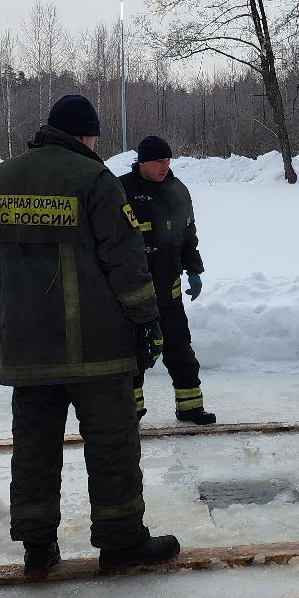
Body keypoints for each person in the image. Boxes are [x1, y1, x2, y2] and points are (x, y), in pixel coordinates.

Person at [0, 95, 181, 578]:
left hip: (27, 348)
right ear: (87, 136)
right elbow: (125, 261)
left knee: (34, 447)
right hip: (96, 347)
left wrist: (5, 320)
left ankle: (37, 546)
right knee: (111, 442)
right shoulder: (93, 179)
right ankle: (121, 539)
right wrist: (147, 322)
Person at [117, 135, 215, 425]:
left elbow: (188, 236)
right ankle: (128, 412)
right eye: (159, 160)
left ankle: (190, 407)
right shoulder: (120, 190)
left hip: (168, 291)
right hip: (132, 294)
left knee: (180, 350)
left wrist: (193, 270)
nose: (165, 166)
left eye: (168, 160)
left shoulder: (177, 190)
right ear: (142, 162)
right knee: (134, 354)